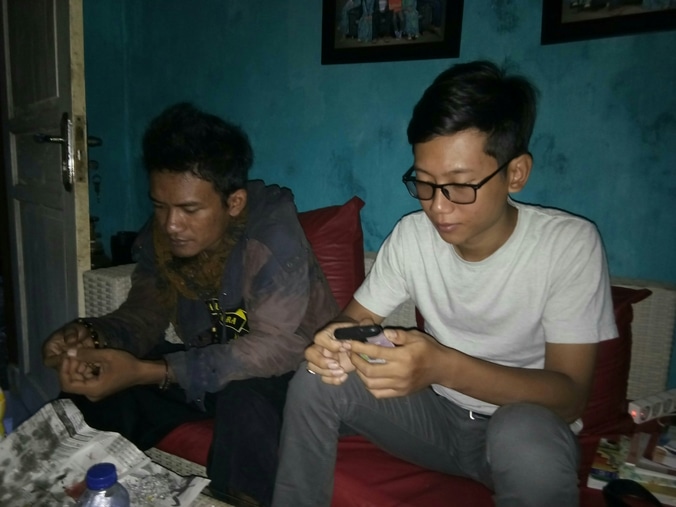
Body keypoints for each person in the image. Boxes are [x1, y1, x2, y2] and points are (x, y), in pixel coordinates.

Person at [271, 60, 618, 507]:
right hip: (434, 420)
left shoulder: (567, 244)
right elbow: (352, 323)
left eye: (459, 185)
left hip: (522, 429)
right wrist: (333, 344)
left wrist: (442, 367)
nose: (437, 207)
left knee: (523, 433)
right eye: (424, 183)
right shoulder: (413, 236)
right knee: (314, 378)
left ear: (515, 173)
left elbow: (570, 398)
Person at [42, 102, 339, 507]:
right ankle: (68, 490)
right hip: (211, 370)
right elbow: (144, 315)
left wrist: (155, 371)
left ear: (233, 203)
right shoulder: (164, 237)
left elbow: (277, 348)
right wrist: (93, 336)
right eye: (159, 206)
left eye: (189, 209)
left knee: (243, 398)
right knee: (104, 385)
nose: (170, 225)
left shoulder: (271, 234)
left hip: (298, 378)